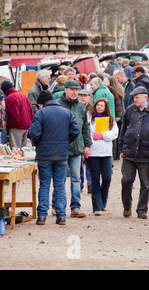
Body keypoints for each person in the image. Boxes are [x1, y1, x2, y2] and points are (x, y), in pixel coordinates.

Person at [30, 90, 81, 225]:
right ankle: (61, 216)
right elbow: (76, 131)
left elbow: (34, 133)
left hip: (44, 154)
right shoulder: (66, 112)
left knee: (44, 185)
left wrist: (38, 144)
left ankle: (42, 216)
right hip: (61, 154)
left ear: (42, 104)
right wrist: (65, 142)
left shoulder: (41, 113)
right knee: (59, 185)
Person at [119, 86, 149, 219]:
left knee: (145, 183)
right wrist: (121, 149)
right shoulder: (130, 110)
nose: (135, 99)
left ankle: (142, 210)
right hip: (129, 152)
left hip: (146, 153)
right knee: (127, 180)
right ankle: (127, 206)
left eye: (137, 97)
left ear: (145, 97)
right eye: (134, 97)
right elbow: (123, 131)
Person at [57, 80, 92, 219]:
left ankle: (75, 207)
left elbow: (85, 128)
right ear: (65, 90)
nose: (75, 92)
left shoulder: (80, 107)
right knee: (60, 179)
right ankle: (57, 206)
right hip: (61, 148)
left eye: (76, 90)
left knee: (76, 179)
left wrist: (87, 143)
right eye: (72, 89)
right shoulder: (58, 104)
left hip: (77, 148)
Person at [86, 98, 119, 216]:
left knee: (107, 178)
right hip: (93, 152)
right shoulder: (89, 117)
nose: (99, 107)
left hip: (106, 153)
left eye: (102, 105)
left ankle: (103, 202)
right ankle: (96, 207)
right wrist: (86, 147)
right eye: (98, 105)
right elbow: (86, 132)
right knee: (95, 179)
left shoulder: (110, 119)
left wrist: (103, 135)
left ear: (106, 108)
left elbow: (115, 133)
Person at [1, 81, 34, 149]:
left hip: (16, 127)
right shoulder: (23, 95)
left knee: (16, 149)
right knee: (23, 150)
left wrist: (10, 126)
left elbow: (14, 115)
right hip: (26, 126)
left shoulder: (10, 98)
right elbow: (31, 112)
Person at [78, 89, 92, 193]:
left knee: (89, 162)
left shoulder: (93, 109)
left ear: (89, 97)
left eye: (85, 96)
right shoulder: (77, 107)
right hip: (78, 139)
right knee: (78, 163)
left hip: (89, 138)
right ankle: (80, 183)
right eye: (81, 96)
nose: (83, 98)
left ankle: (90, 184)